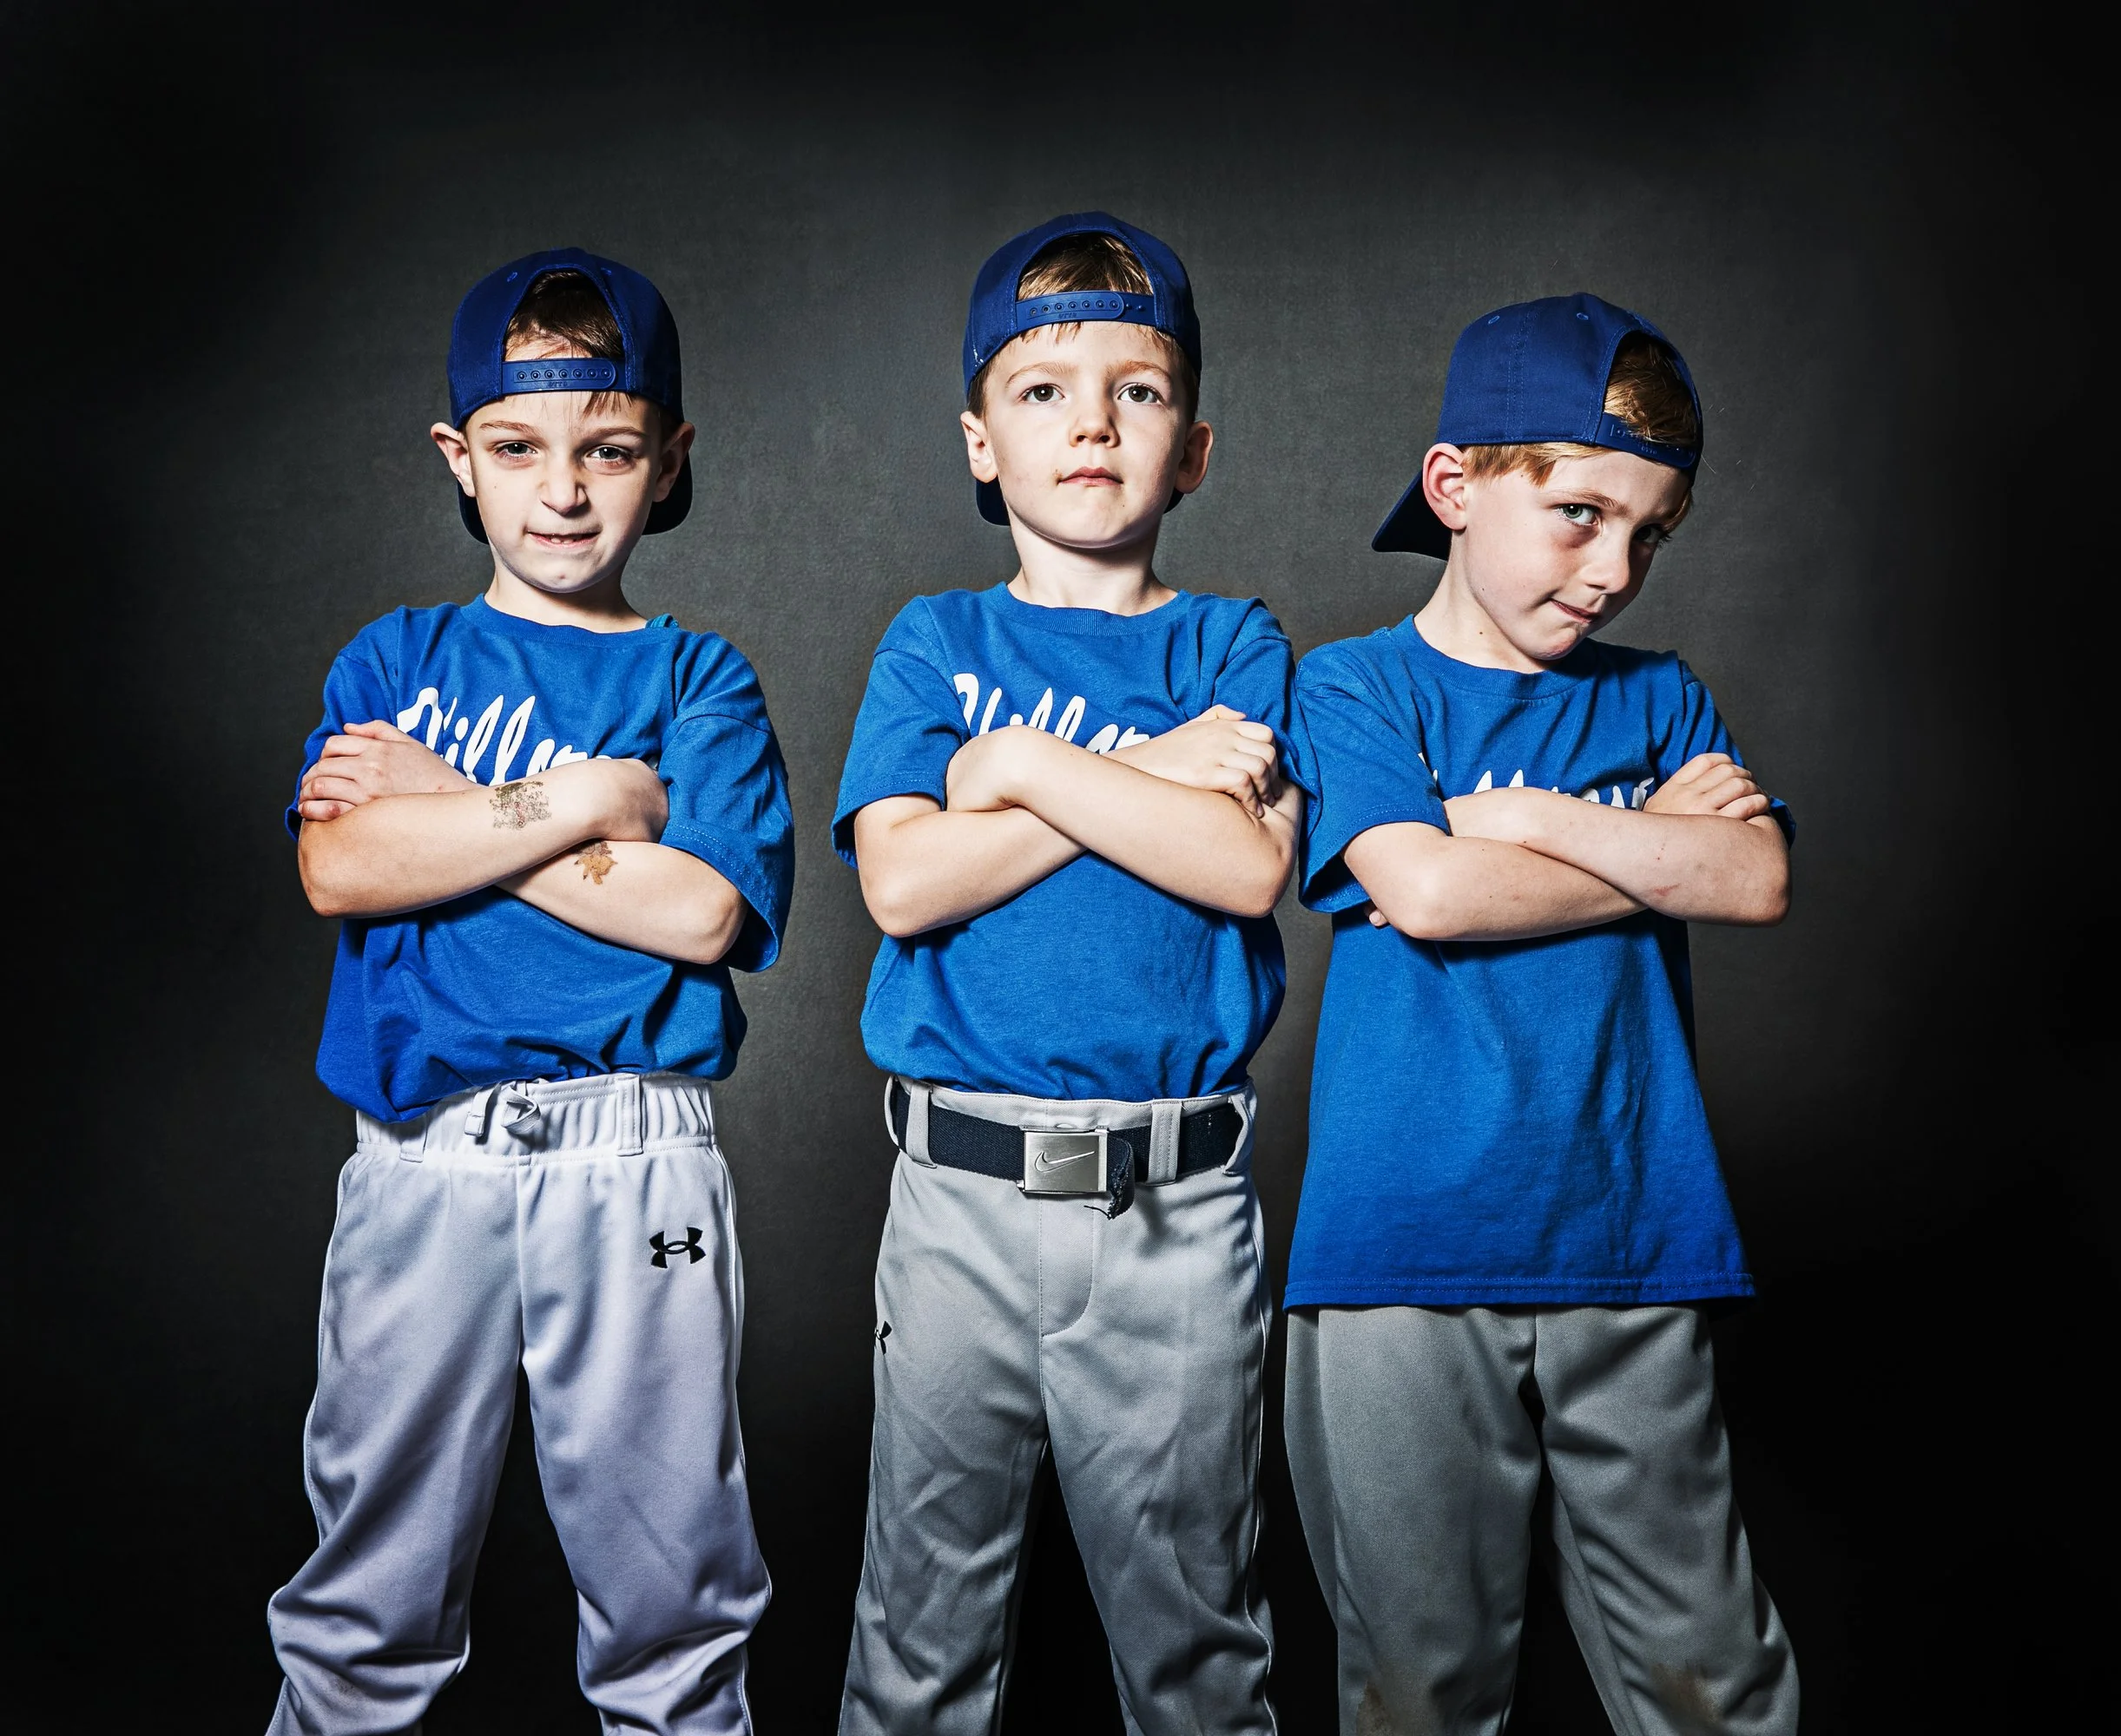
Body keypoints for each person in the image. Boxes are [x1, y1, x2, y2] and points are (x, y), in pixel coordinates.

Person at [263, 248, 794, 1736]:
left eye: (608, 449)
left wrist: (455, 815)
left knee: (673, 1588)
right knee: (369, 1588)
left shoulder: (703, 679)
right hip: (422, 1162)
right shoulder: (398, 660)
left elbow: (699, 911)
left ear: (667, 458)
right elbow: (341, 869)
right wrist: (573, 805)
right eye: (518, 448)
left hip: (637, 1157)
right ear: (462, 457)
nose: (563, 489)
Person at [1285, 293, 1800, 1735]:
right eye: (1579, 514)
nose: (1614, 569)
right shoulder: (1352, 686)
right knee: (1422, 1683)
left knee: (1711, 1676)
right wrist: (1643, 853)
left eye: (1649, 533)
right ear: (1455, 486)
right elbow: (1430, 895)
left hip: (1632, 1235)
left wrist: (1535, 820)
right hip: (1400, 1255)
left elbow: (1753, 878)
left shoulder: (1661, 697)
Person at [831, 213, 1303, 1736]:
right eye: (1043, 392)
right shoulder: (934, 640)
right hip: (956, 1197)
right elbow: (903, 880)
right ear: (982, 442)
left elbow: (1243, 869)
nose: (1093, 421)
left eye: (1139, 390)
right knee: (919, 1640)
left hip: (1174, 1205)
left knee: (1196, 1649)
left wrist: (1019, 767)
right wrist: (1152, 781)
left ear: (1198, 446)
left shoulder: (1235, 642)